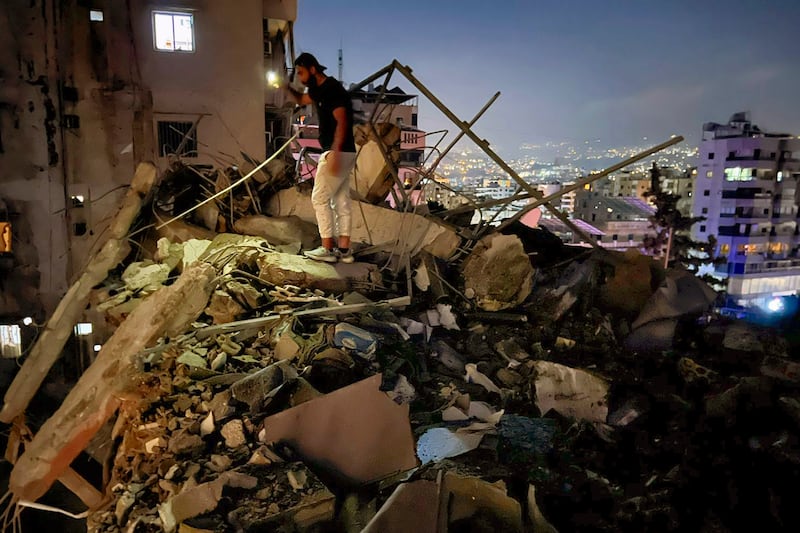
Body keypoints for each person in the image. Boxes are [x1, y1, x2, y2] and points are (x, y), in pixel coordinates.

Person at [286, 52, 357, 263]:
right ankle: (344, 251)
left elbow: (342, 120)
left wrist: (334, 151)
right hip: (347, 152)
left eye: (301, 72)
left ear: (312, 69)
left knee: (319, 198)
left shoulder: (330, 90)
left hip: (337, 152)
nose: (299, 77)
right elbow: (301, 99)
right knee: (341, 200)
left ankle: (327, 248)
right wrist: (284, 87)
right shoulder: (321, 90)